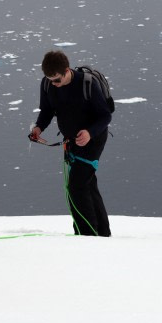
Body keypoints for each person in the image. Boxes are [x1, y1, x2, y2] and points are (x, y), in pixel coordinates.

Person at [29, 50, 112, 236]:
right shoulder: (48, 84)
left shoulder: (86, 84)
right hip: (72, 141)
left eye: (57, 80)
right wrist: (38, 127)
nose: (54, 84)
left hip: (93, 140)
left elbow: (105, 115)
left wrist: (89, 133)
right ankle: (103, 234)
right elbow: (47, 110)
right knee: (87, 184)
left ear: (67, 71)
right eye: (50, 79)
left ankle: (86, 236)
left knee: (76, 186)